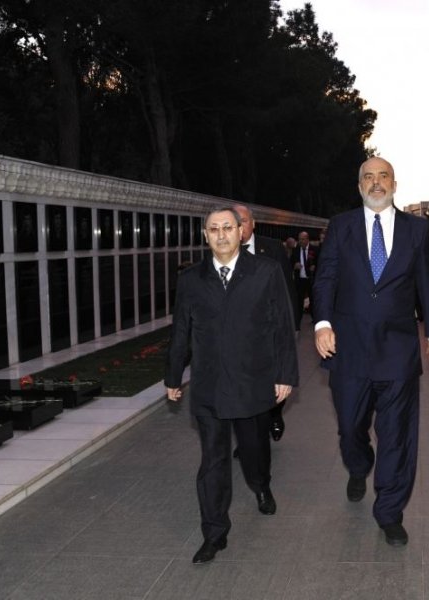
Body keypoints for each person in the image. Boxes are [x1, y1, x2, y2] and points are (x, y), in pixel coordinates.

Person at [313, 156, 429, 547]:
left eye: (383, 176)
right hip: (348, 348)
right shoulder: (341, 226)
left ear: (394, 184)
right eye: (368, 177)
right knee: (350, 427)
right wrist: (322, 324)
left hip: (397, 349)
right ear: (359, 187)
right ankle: (358, 465)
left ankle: (389, 511)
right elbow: (326, 277)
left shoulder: (417, 230)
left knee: (397, 434)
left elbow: (427, 282)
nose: (376, 182)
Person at [165, 207, 298, 565]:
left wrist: (285, 374)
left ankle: (261, 485)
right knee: (213, 461)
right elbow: (181, 331)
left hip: (253, 383)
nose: (221, 234)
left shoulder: (265, 271)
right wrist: (173, 377)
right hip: (209, 386)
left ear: (241, 232)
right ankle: (214, 533)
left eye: (227, 227)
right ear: (205, 236)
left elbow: (282, 325)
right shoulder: (192, 279)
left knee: (253, 451)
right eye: (214, 229)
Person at [233, 204, 297, 442]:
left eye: (243, 221)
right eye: (235, 222)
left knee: (275, 379)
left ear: (253, 223)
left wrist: (293, 324)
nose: (240, 227)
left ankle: (275, 414)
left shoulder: (272, 248)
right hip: (239, 334)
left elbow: (287, 287)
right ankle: (248, 439)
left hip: (271, 330)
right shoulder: (223, 249)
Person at [291, 231, 316, 329]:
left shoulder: (315, 249)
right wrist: (294, 266)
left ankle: (315, 320)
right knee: (299, 301)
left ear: (307, 239)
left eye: (303, 239)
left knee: (313, 300)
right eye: (299, 239)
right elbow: (290, 263)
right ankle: (297, 322)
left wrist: (315, 267)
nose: (300, 241)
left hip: (311, 280)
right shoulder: (296, 250)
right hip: (300, 280)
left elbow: (320, 262)